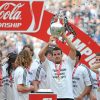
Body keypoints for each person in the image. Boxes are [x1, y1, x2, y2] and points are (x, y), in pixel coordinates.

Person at [38, 34, 76, 100]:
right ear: (52, 56)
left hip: (67, 96)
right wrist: (48, 44)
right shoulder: (48, 64)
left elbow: (73, 49)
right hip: (53, 97)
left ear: (62, 55)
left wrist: (64, 36)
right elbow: (40, 55)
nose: (57, 56)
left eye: (58, 54)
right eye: (55, 54)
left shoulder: (68, 63)